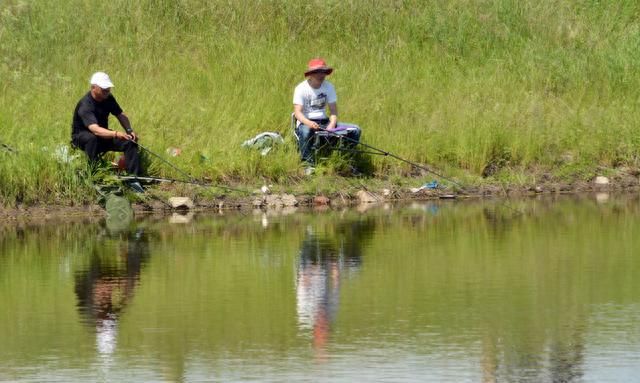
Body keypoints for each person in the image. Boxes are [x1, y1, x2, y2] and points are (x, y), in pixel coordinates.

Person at [71, 72, 144, 189]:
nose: (107, 91)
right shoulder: (85, 104)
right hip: (82, 137)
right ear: (93, 87)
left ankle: (134, 179)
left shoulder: (108, 98)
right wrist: (115, 133)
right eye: (104, 88)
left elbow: (120, 115)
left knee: (129, 141)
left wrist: (129, 130)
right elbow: (95, 130)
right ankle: (93, 176)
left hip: (103, 135)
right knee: (92, 138)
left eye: (108, 88)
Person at [293, 58, 361, 171]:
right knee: (305, 131)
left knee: (355, 130)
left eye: (323, 72)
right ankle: (307, 165)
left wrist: (332, 124)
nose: (322, 75)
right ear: (311, 74)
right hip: (306, 121)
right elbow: (297, 113)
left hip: (325, 121)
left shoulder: (329, 87)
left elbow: (333, 111)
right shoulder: (301, 88)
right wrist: (309, 123)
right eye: (319, 72)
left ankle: (347, 161)